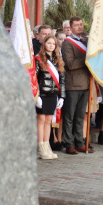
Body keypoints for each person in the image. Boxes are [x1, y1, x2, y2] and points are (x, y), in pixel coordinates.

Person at [60, 17, 94, 155]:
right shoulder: (67, 43)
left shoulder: (86, 42)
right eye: (76, 25)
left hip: (86, 83)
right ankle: (69, 143)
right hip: (73, 84)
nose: (80, 27)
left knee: (80, 116)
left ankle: (80, 142)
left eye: (81, 24)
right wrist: (87, 58)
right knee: (69, 116)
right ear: (71, 27)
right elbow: (70, 64)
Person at [35, 35, 66, 159]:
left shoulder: (58, 60)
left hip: (53, 95)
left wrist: (62, 97)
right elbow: (34, 79)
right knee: (41, 121)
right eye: (49, 43)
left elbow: (62, 80)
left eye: (53, 43)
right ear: (44, 44)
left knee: (49, 121)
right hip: (42, 95)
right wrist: (36, 96)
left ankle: (47, 146)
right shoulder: (38, 59)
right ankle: (40, 148)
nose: (51, 45)